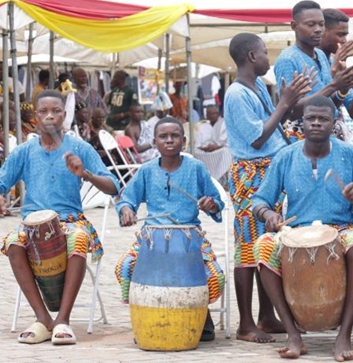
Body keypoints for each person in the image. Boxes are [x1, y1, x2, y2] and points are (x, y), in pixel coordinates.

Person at [251, 95, 353, 361]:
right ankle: (293, 334)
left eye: (323, 119)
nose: (316, 123)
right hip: (296, 232)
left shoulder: (349, 154)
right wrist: (268, 213)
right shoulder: (286, 156)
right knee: (262, 248)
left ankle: (344, 335)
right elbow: (259, 200)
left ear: (333, 123)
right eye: (311, 118)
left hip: (340, 229)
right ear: (302, 122)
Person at [0, 90, 119, 345]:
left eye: (56, 111)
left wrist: (85, 174)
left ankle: (63, 320)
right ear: (35, 116)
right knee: (12, 242)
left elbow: (113, 186)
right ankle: (43, 319)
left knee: (77, 239)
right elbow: (1, 183)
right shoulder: (24, 151)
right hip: (32, 224)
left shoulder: (80, 148)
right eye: (43, 112)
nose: (50, 116)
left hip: (70, 221)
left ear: (65, 115)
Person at [224, 32, 314, 343]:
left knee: (267, 243)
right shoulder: (237, 94)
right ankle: (245, 323)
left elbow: (275, 121)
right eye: (264, 53)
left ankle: (266, 315)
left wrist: (289, 101)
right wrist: (285, 102)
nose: (268, 59)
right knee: (248, 247)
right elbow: (257, 137)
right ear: (251, 57)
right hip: (251, 172)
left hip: (270, 169)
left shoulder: (259, 86)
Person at [115, 117, 225, 342]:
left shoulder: (195, 168)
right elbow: (126, 198)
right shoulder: (146, 171)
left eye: (175, 136)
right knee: (124, 267)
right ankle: (143, 315)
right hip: (151, 237)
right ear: (154, 142)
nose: (169, 140)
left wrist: (211, 204)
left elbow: (215, 199)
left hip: (190, 236)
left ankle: (199, 315)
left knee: (215, 277)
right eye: (163, 137)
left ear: (183, 141)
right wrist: (126, 210)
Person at [273, 0, 353, 141]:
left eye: (321, 24)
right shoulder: (288, 59)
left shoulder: (321, 56)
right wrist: (334, 85)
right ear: (294, 26)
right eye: (311, 25)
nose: (318, 29)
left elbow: (330, 104)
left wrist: (343, 88)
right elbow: (291, 111)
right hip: (302, 138)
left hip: (329, 136)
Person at [321, 8, 353, 121]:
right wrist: (333, 73)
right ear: (323, 32)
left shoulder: (334, 63)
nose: (344, 41)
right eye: (340, 35)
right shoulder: (303, 60)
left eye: (345, 35)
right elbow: (316, 107)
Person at [195, 105, 233, 182]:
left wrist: (216, 147)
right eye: (210, 114)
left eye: (215, 114)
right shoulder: (202, 126)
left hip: (219, 149)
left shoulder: (224, 124)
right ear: (206, 115)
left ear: (218, 114)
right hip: (205, 151)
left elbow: (227, 143)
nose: (213, 116)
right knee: (191, 151)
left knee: (227, 152)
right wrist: (205, 148)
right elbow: (197, 145)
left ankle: (221, 179)